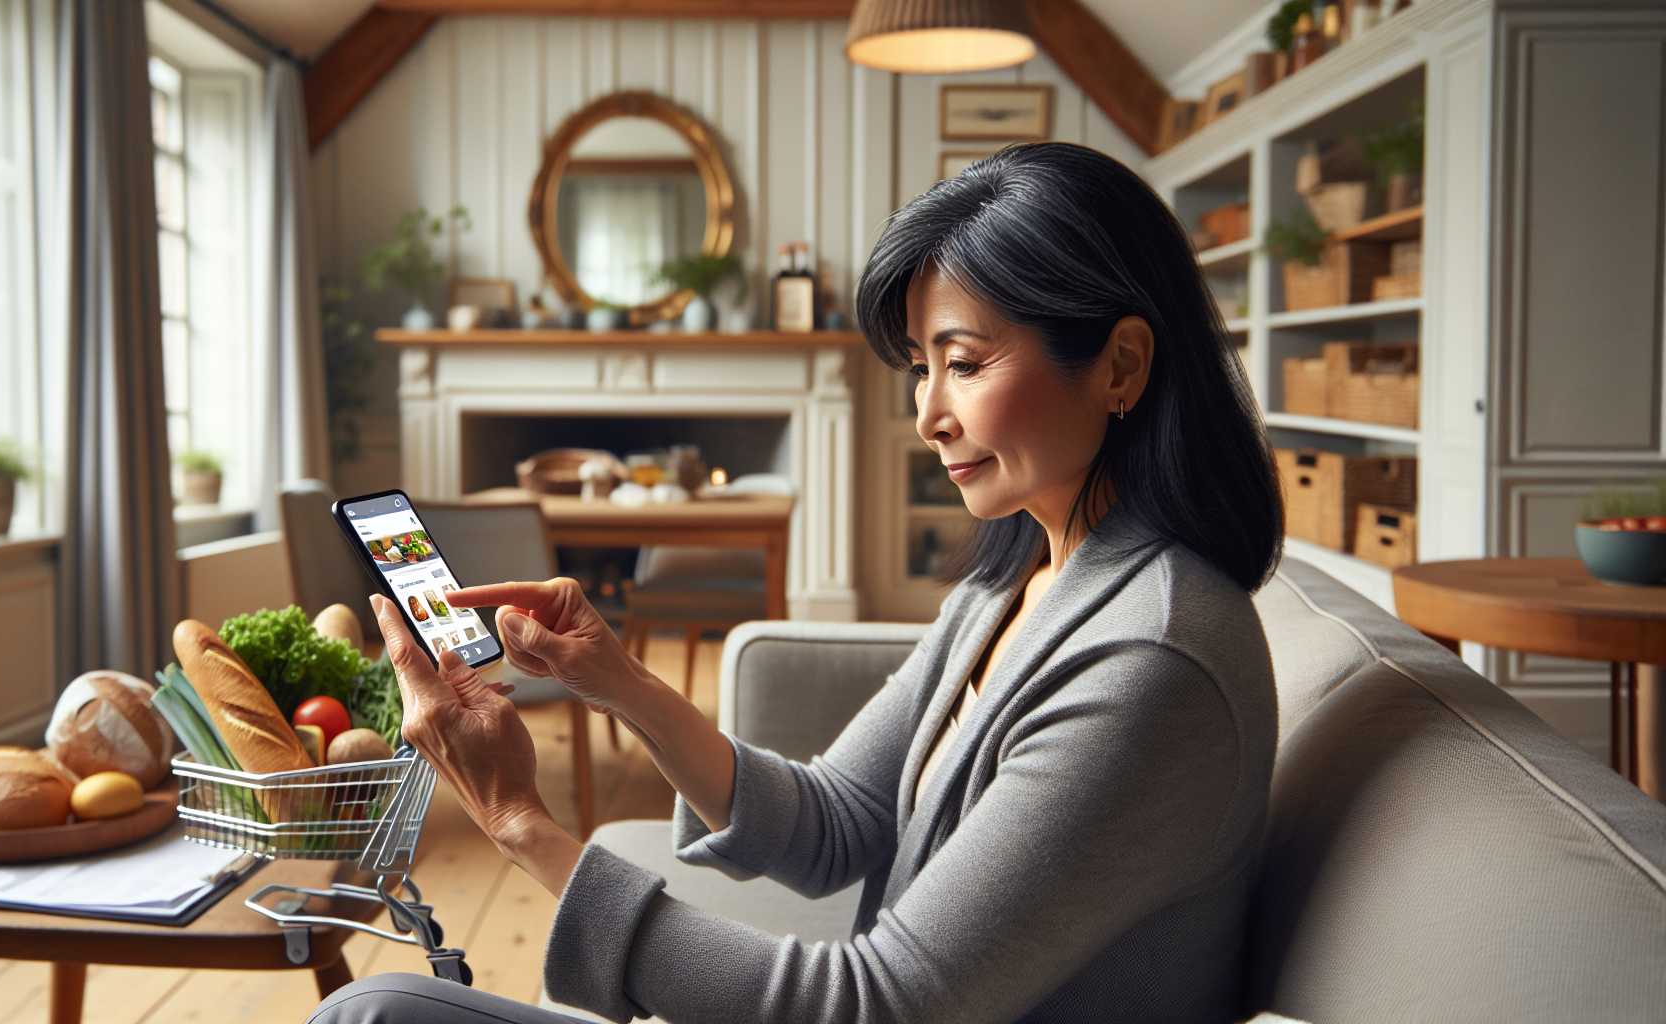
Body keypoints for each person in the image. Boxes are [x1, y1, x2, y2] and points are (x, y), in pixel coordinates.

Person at [309, 141, 1284, 1024]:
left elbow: (874, 1007)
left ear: (1120, 364)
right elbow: (837, 821)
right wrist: (616, 677)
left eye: (964, 362)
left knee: (376, 1014)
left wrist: (516, 821)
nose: (928, 415)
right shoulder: (1019, 579)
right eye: (918, 369)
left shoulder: (1146, 660)